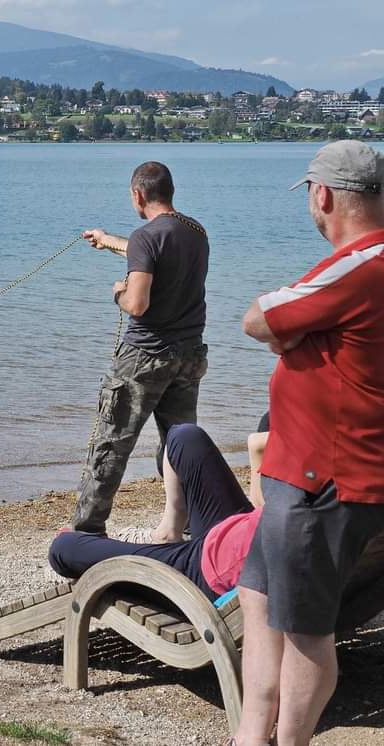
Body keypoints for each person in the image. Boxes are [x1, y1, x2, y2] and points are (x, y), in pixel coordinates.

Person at [234, 140, 384, 746]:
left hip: (324, 481)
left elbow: (257, 319)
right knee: (256, 592)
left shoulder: (360, 264)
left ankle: (287, 740)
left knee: (305, 632)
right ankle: (251, 732)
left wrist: (291, 338)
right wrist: (301, 340)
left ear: (323, 196)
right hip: (310, 473)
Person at [73, 161, 211, 535]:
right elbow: (150, 254)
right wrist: (106, 239)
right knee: (178, 444)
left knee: (112, 442)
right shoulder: (196, 232)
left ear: (138, 195)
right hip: (189, 355)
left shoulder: (145, 238)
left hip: (145, 357)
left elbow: (137, 304)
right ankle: (184, 526)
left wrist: (118, 292)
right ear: (170, 192)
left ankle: (87, 530)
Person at [51, 423, 263, 602]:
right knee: (184, 436)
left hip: (211, 567)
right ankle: (169, 532)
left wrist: (260, 446)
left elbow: (259, 449)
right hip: (242, 529)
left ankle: (171, 551)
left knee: (63, 548)